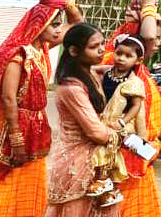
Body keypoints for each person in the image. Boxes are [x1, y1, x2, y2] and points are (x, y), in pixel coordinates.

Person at [0, 0, 83, 217]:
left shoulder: (41, 50)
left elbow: (78, 26)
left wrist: (65, 3)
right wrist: (16, 138)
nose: (57, 30)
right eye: (54, 25)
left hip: (37, 127)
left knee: (31, 181)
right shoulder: (18, 56)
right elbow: (9, 99)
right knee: (4, 180)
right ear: (40, 26)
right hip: (13, 128)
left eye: (57, 25)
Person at [46, 23, 121, 216]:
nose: (102, 49)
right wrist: (119, 135)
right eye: (94, 46)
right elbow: (95, 133)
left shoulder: (91, 72)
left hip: (92, 159)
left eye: (102, 43)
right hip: (77, 163)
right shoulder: (72, 88)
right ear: (73, 51)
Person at [101, 0, 161, 216]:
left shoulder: (127, 63)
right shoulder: (117, 59)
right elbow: (145, 36)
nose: (155, 41)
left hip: (130, 134)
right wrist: (148, 5)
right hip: (117, 133)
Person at [84, 35, 148, 207]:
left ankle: (104, 180)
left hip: (121, 123)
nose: (121, 58)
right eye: (119, 53)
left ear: (138, 60)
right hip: (104, 119)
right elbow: (92, 69)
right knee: (101, 149)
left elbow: (136, 106)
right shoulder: (108, 71)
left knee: (106, 148)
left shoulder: (134, 82)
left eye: (128, 56)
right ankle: (110, 192)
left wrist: (122, 122)